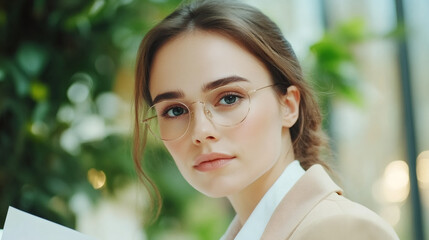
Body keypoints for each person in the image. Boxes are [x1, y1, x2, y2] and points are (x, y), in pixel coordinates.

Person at [133, 0, 399, 239]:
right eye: (175, 111)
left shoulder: (342, 231)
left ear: (288, 105)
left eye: (228, 98)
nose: (201, 131)